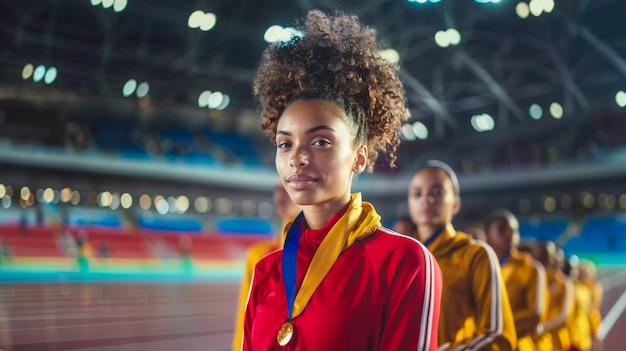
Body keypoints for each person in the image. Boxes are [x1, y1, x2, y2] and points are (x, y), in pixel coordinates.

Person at [242, 9, 442, 350]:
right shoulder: (266, 272)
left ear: (359, 157)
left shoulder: (404, 262)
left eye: (320, 141)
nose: (297, 157)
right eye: (285, 143)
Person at [407, 160, 516, 350]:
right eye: (417, 193)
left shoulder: (476, 255)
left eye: (437, 193)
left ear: (456, 204)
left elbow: (499, 335)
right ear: (409, 203)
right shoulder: (402, 258)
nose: (426, 199)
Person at [232, 181, 301, 351]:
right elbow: (244, 320)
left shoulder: (322, 254)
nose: (280, 195)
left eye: (288, 187)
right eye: (277, 189)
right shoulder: (257, 256)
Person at [486, 208, 546, 351]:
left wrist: (493, 327)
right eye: (502, 229)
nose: (509, 235)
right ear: (488, 236)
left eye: (514, 230)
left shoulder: (531, 269)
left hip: (519, 345)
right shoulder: (482, 269)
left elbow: (534, 315)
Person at [532, 241, 574, 351]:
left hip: (554, 342)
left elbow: (564, 316)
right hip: (534, 342)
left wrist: (540, 329)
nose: (543, 259)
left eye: (546, 255)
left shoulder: (563, 282)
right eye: (540, 255)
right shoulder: (531, 278)